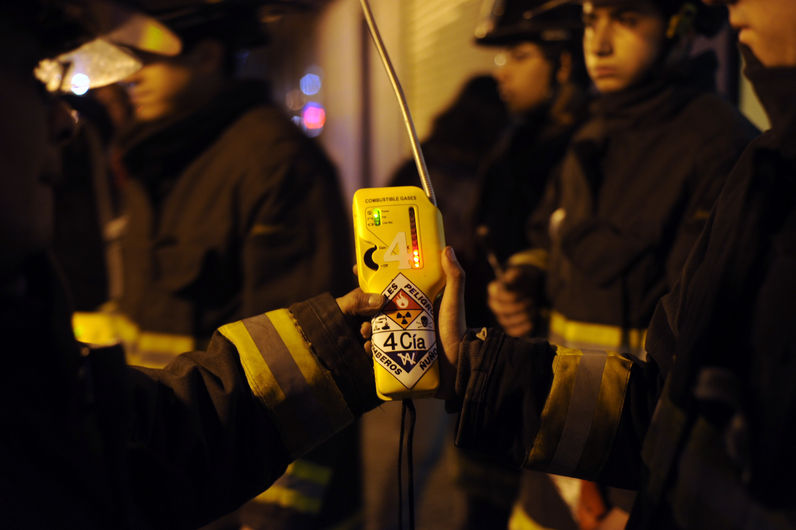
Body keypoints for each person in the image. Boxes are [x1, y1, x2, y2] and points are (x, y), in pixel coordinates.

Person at [0, 2, 389, 528]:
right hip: (184, 486)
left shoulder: (271, 164)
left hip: (234, 495)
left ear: (207, 56)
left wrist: (272, 521)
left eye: (150, 60)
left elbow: (298, 377)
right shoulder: (157, 159)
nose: (132, 76)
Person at [423, 0, 796, 526]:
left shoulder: (718, 149)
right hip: (559, 461)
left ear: (677, 26)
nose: (597, 43)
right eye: (593, 20)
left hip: (626, 482)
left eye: (626, 19)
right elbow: (550, 234)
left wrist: (638, 505)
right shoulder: (591, 131)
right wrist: (530, 281)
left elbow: (688, 372)